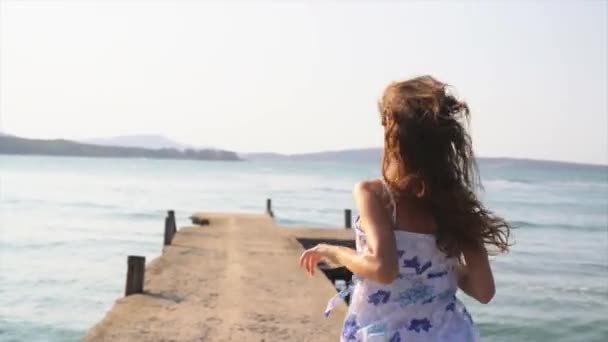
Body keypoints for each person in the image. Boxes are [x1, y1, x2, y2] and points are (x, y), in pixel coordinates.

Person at [299, 75, 512, 341]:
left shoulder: (374, 193)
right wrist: (437, 270)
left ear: (392, 130)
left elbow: (383, 268)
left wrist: (332, 251)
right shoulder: (455, 202)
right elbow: (483, 290)